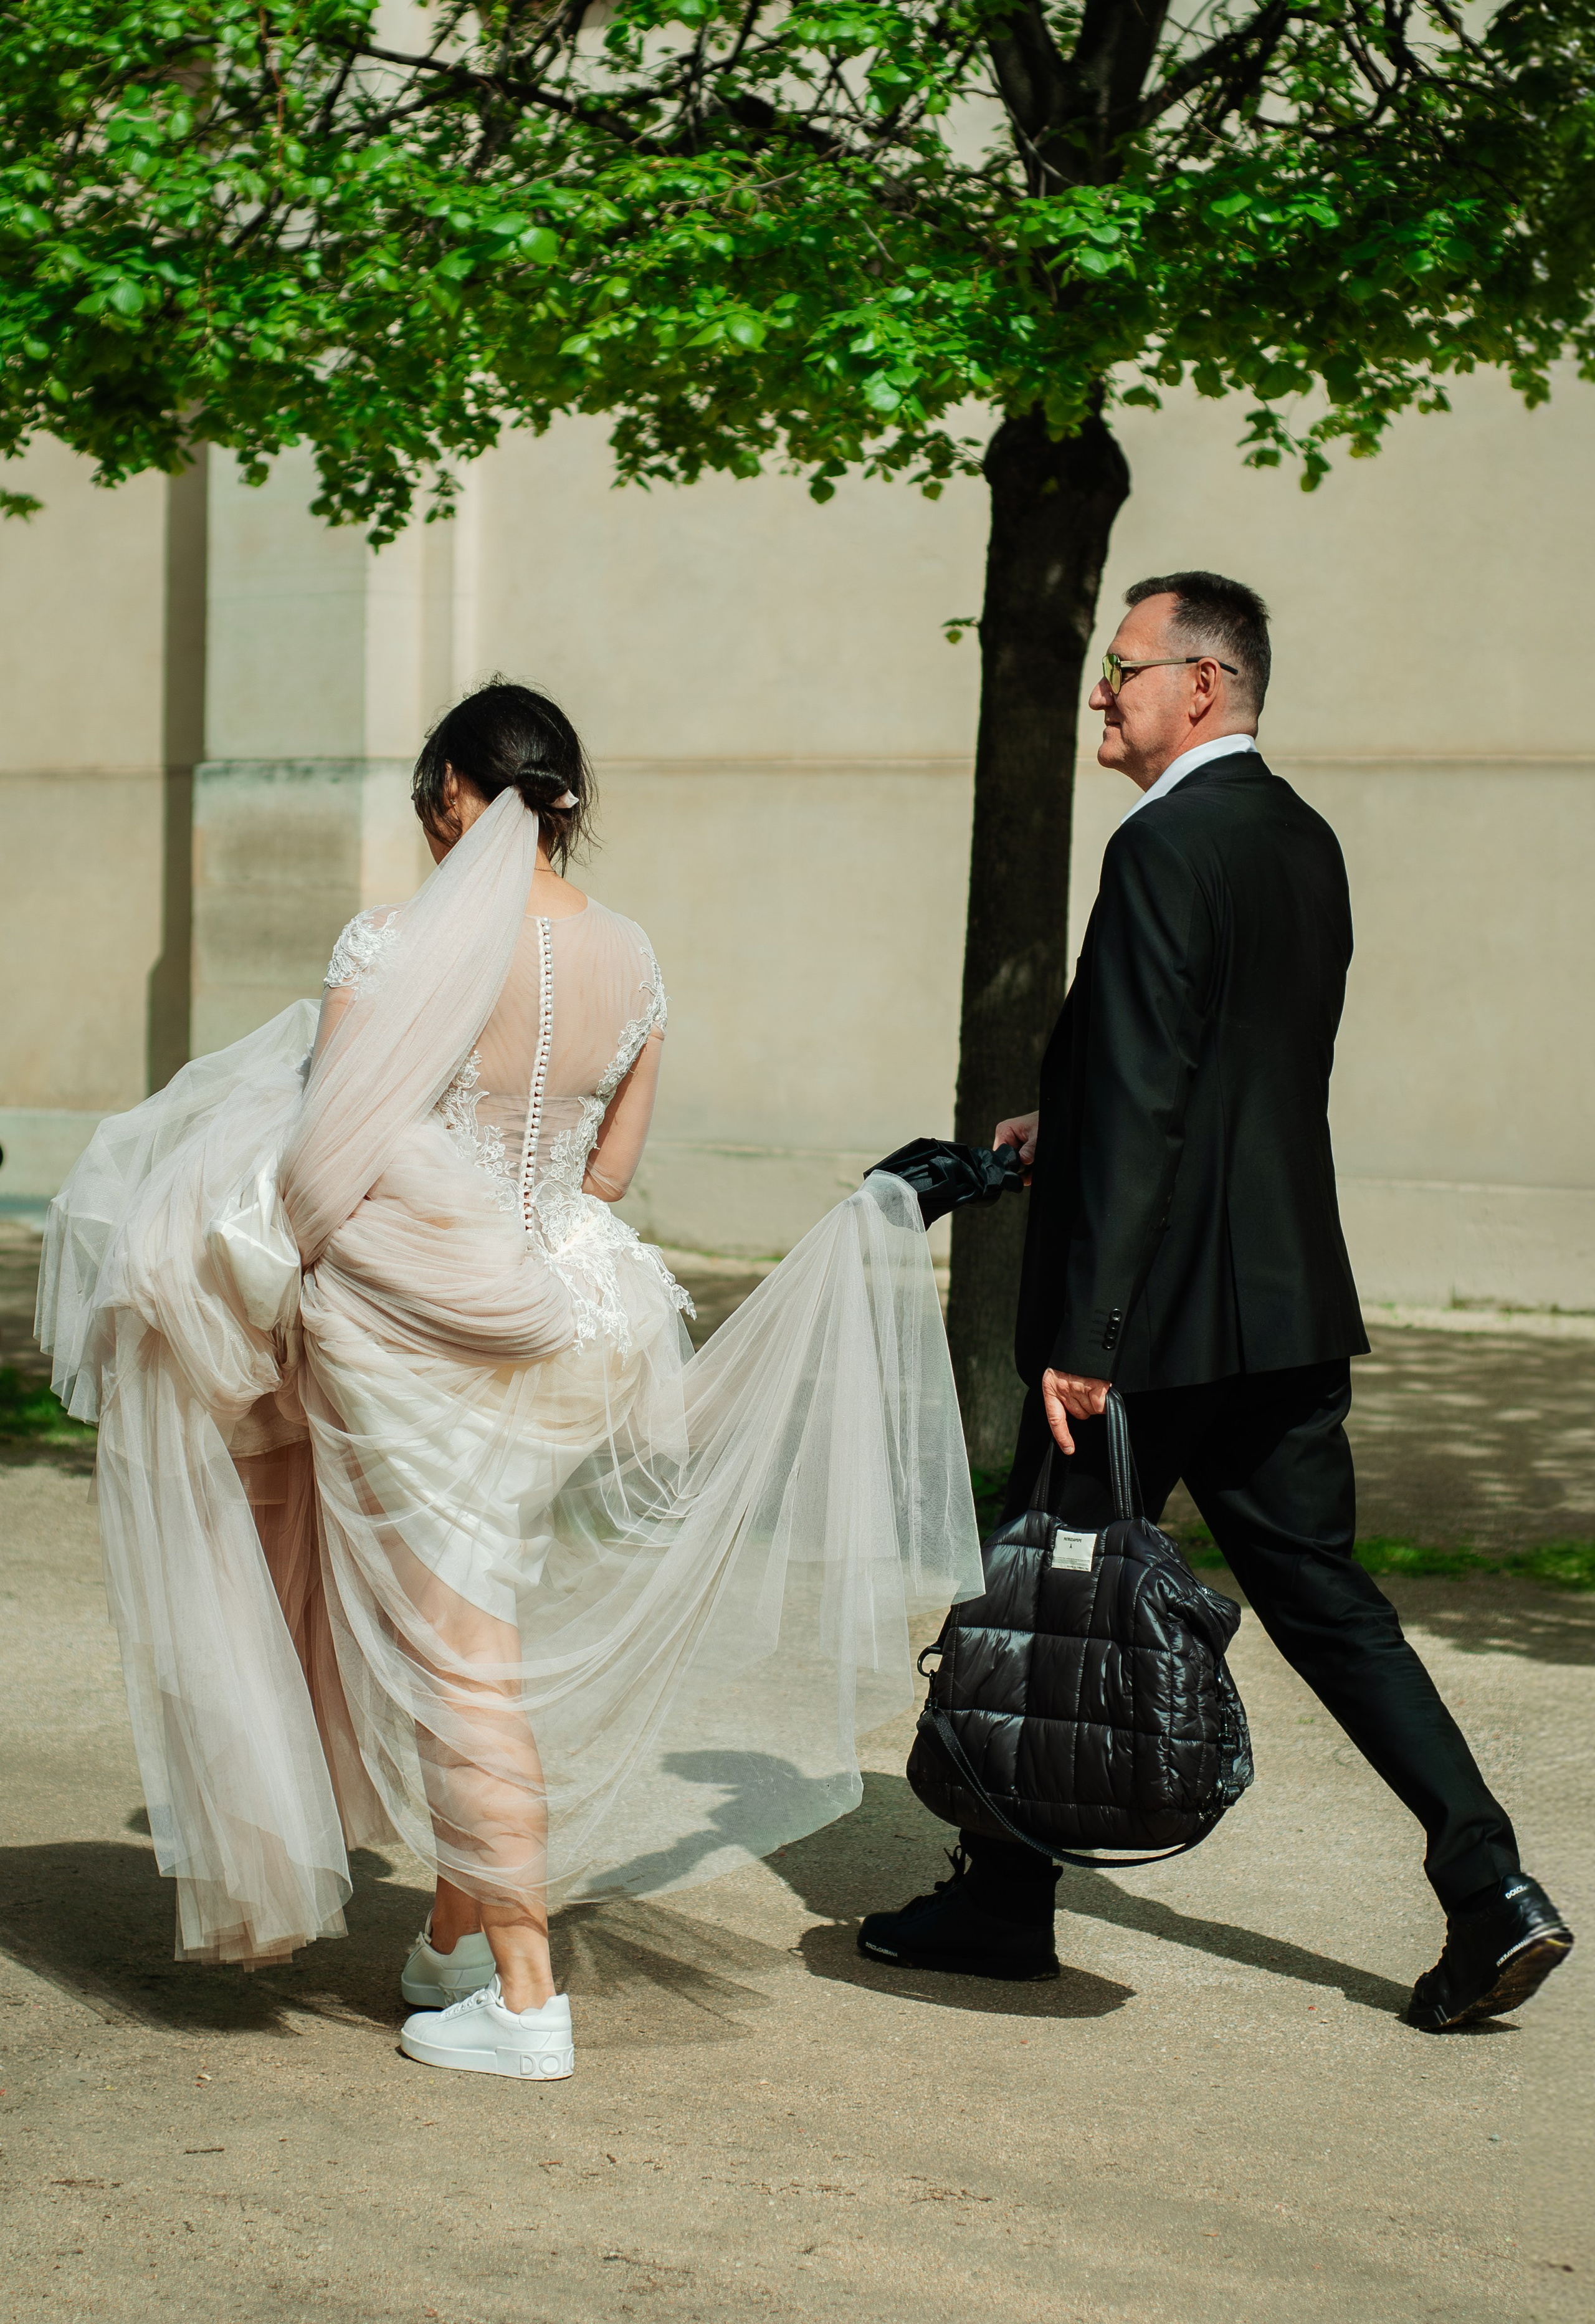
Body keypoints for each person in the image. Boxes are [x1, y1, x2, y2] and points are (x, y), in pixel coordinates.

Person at [38, 679, 981, 2082]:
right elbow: (608, 1173)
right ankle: (453, 1940)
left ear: (452, 794)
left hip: (421, 1342)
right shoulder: (632, 956)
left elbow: (323, 1163)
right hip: (575, 1329)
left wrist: (262, 1271)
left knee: (458, 1657)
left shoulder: (392, 944)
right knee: (479, 1626)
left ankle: (528, 1997)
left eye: (433, 798)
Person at [860, 572, 1574, 2032]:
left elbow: (1148, 1095)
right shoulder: (1300, 838)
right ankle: (1488, 1880)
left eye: (1120, 667)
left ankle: (999, 1902)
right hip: (1281, 1301)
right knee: (1326, 1601)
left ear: (1199, 684)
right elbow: (1227, 1066)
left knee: (1042, 1593)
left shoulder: (1156, 844)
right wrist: (1062, 1119)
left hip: (1143, 1327)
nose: (1099, 691)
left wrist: (1086, 1337)